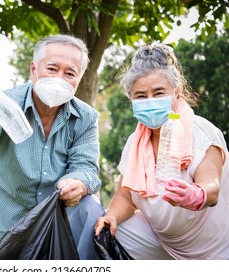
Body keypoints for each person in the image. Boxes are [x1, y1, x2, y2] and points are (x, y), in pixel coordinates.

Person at [0, 34, 105, 259]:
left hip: (59, 224)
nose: (59, 79)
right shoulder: (6, 102)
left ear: (80, 78)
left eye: (69, 73)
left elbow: (86, 167)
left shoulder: (86, 117)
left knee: (90, 205)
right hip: (7, 224)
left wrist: (79, 183)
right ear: (33, 69)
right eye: (52, 69)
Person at [94, 44, 229, 259]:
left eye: (159, 93)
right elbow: (125, 196)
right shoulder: (134, 143)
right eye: (140, 96)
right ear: (131, 100)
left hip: (215, 251)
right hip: (162, 244)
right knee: (105, 231)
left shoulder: (201, 131)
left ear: (176, 92)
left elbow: (211, 188)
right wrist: (111, 215)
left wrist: (194, 195)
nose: (150, 101)